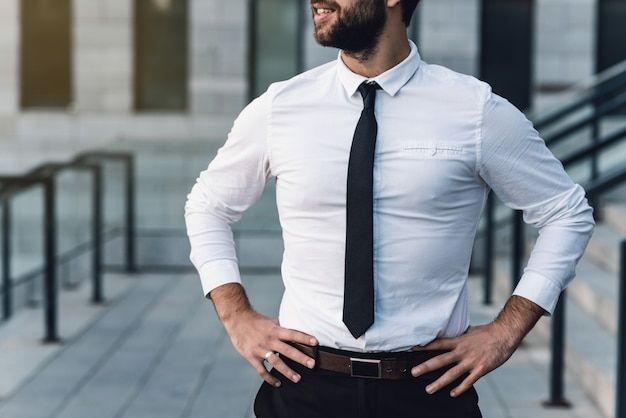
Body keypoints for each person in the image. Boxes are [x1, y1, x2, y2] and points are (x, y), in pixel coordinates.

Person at [185, 0, 595, 417]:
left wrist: (507, 331)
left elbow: (567, 213)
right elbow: (207, 205)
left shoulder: (474, 110)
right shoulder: (280, 108)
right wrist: (235, 315)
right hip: (305, 387)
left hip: (428, 392)